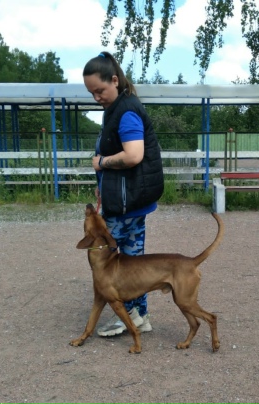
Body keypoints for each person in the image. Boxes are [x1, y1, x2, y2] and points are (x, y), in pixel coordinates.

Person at [83, 51, 165, 337]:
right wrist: (102, 181)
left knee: (110, 263)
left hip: (126, 204)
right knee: (133, 262)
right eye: (92, 93)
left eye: (100, 90)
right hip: (132, 200)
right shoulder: (118, 107)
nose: (97, 97)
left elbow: (133, 155)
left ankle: (127, 314)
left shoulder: (126, 112)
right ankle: (140, 315)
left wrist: (101, 163)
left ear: (115, 80)